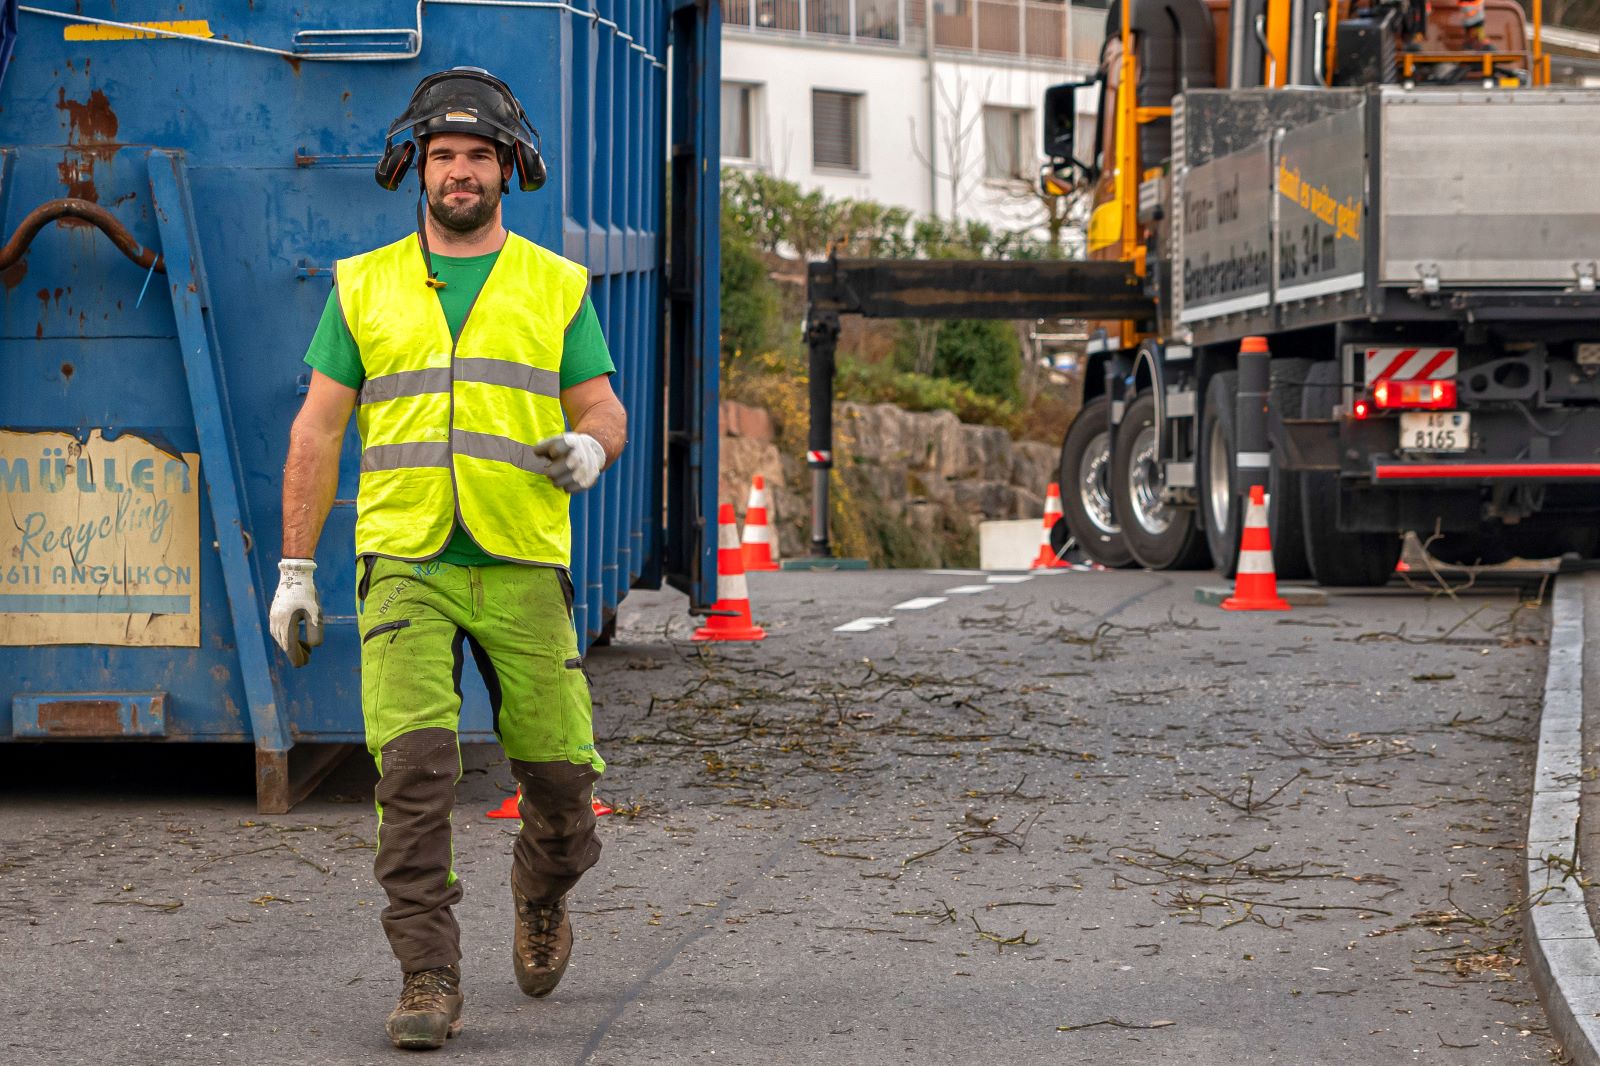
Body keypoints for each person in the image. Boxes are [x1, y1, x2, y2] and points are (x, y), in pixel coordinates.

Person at [267, 67, 626, 1051]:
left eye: (476, 155)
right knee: (413, 773)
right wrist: (296, 569)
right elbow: (315, 431)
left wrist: (592, 444)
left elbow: (601, 404)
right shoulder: (365, 286)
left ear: (507, 169)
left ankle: (541, 887)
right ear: (413, 169)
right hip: (406, 560)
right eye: (442, 156)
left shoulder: (554, 287)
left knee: (560, 781)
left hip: (517, 557)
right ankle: (426, 974)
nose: (459, 171)